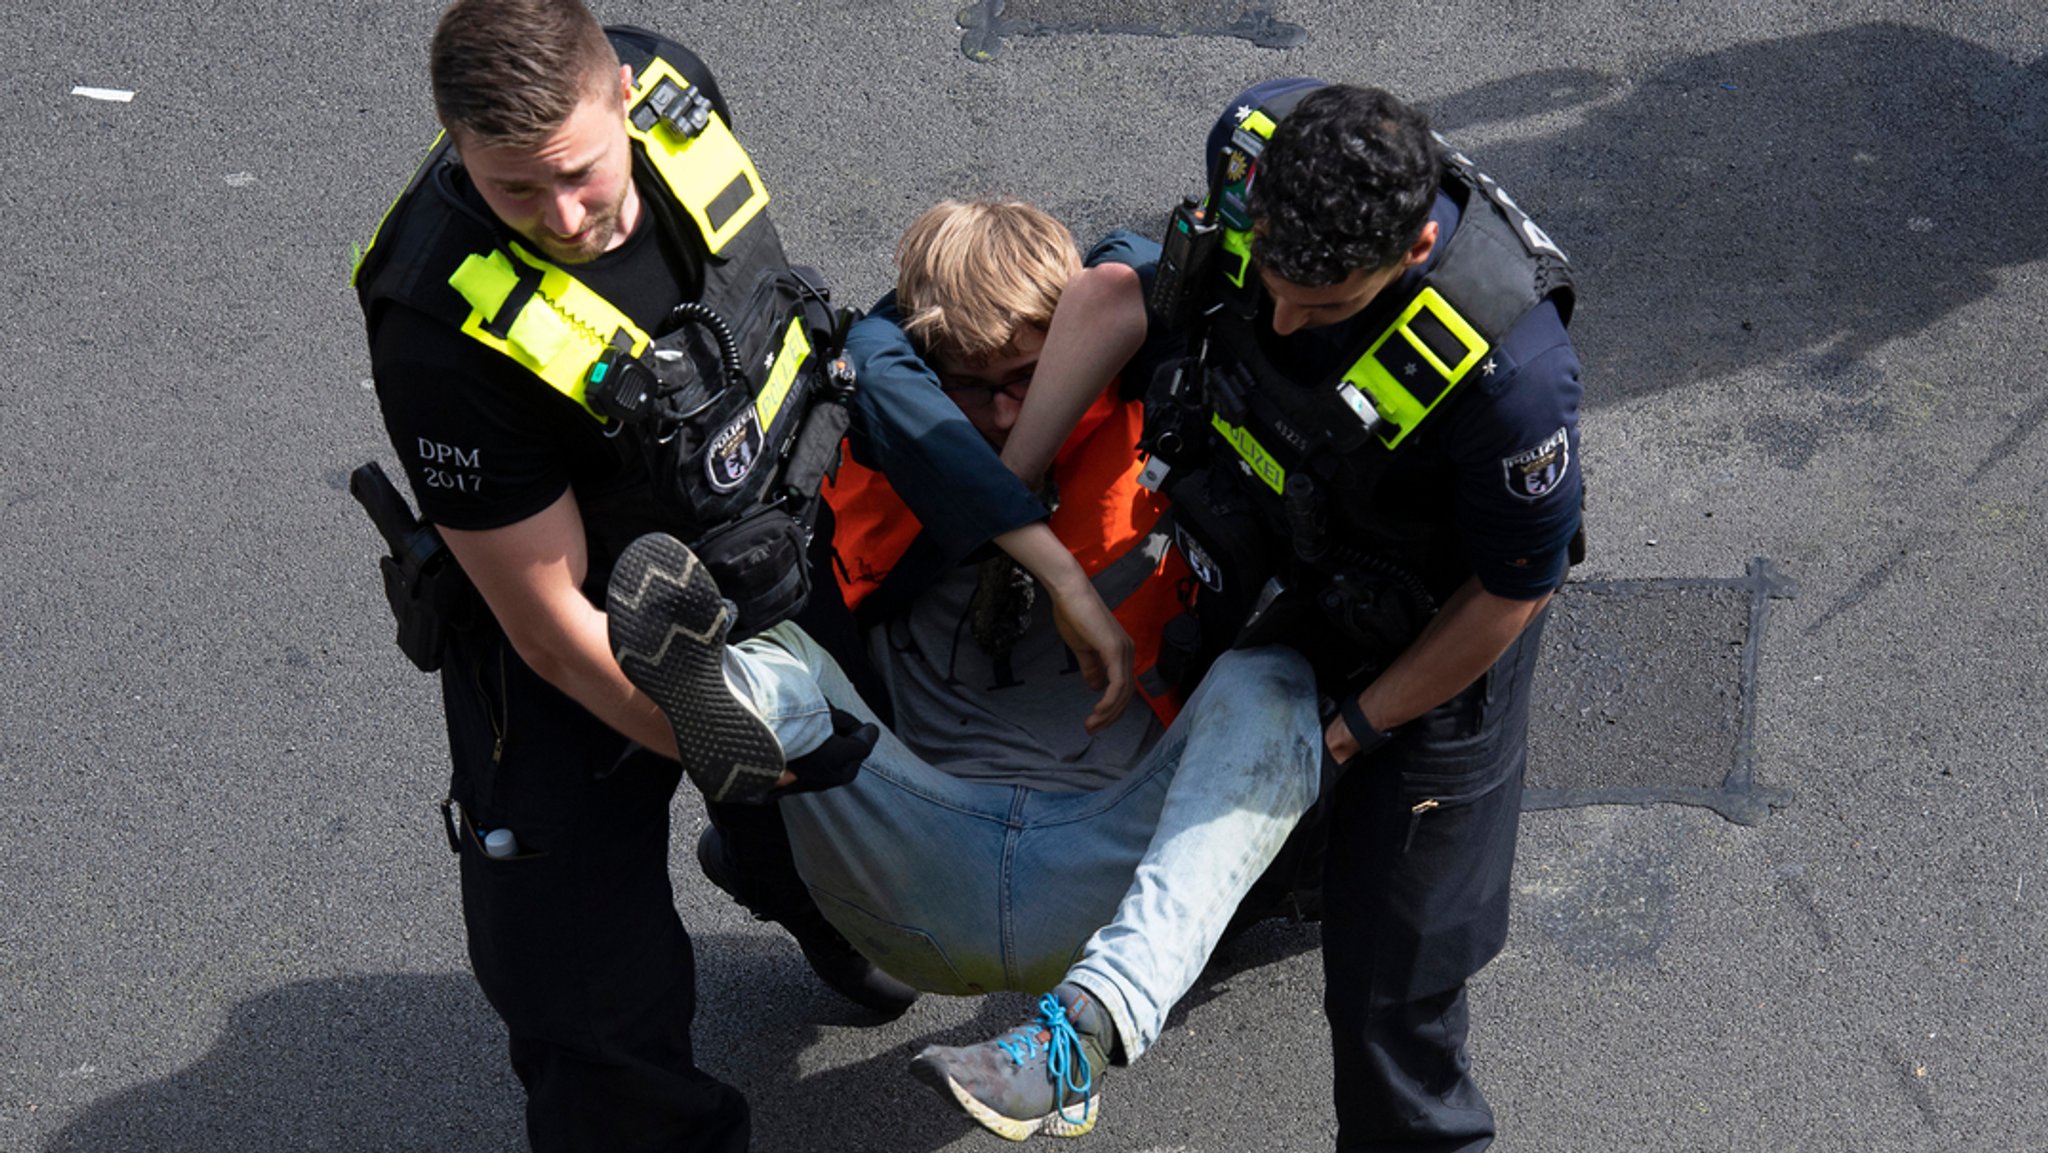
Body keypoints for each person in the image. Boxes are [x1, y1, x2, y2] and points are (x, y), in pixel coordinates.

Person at [604, 199, 1331, 1140]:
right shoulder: (880, 425)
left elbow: (1139, 279)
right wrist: (1045, 556)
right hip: (913, 852)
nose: (999, 413)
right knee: (787, 663)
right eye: (970, 386)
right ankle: (734, 713)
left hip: (1101, 866)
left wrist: (1028, 472)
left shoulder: (1158, 398)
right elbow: (869, 345)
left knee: (1273, 686)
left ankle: (1084, 1029)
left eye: (1027, 378)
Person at [350, 1, 905, 1147]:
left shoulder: (674, 89)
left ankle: (788, 869)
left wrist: (782, 779)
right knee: (578, 980)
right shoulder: (436, 329)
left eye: (581, 176)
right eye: (514, 191)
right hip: (594, 628)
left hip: (764, 534)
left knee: (858, 807)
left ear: (620, 100)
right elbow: (550, 627)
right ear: (455, 145)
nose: (562, 219)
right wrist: (713, 740)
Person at [1119, 81, 1584, 1150]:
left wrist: (1351, 732)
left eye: (1323, 308)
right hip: (1287, 534)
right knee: (1208, 784)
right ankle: (1265, 891)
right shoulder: (1258, 146)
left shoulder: (1508, 374)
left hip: (1434, 620)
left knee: (1388, 995)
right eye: (1271, 282)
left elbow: (1512, 588)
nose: (1282, 319)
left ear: (1416, 247)